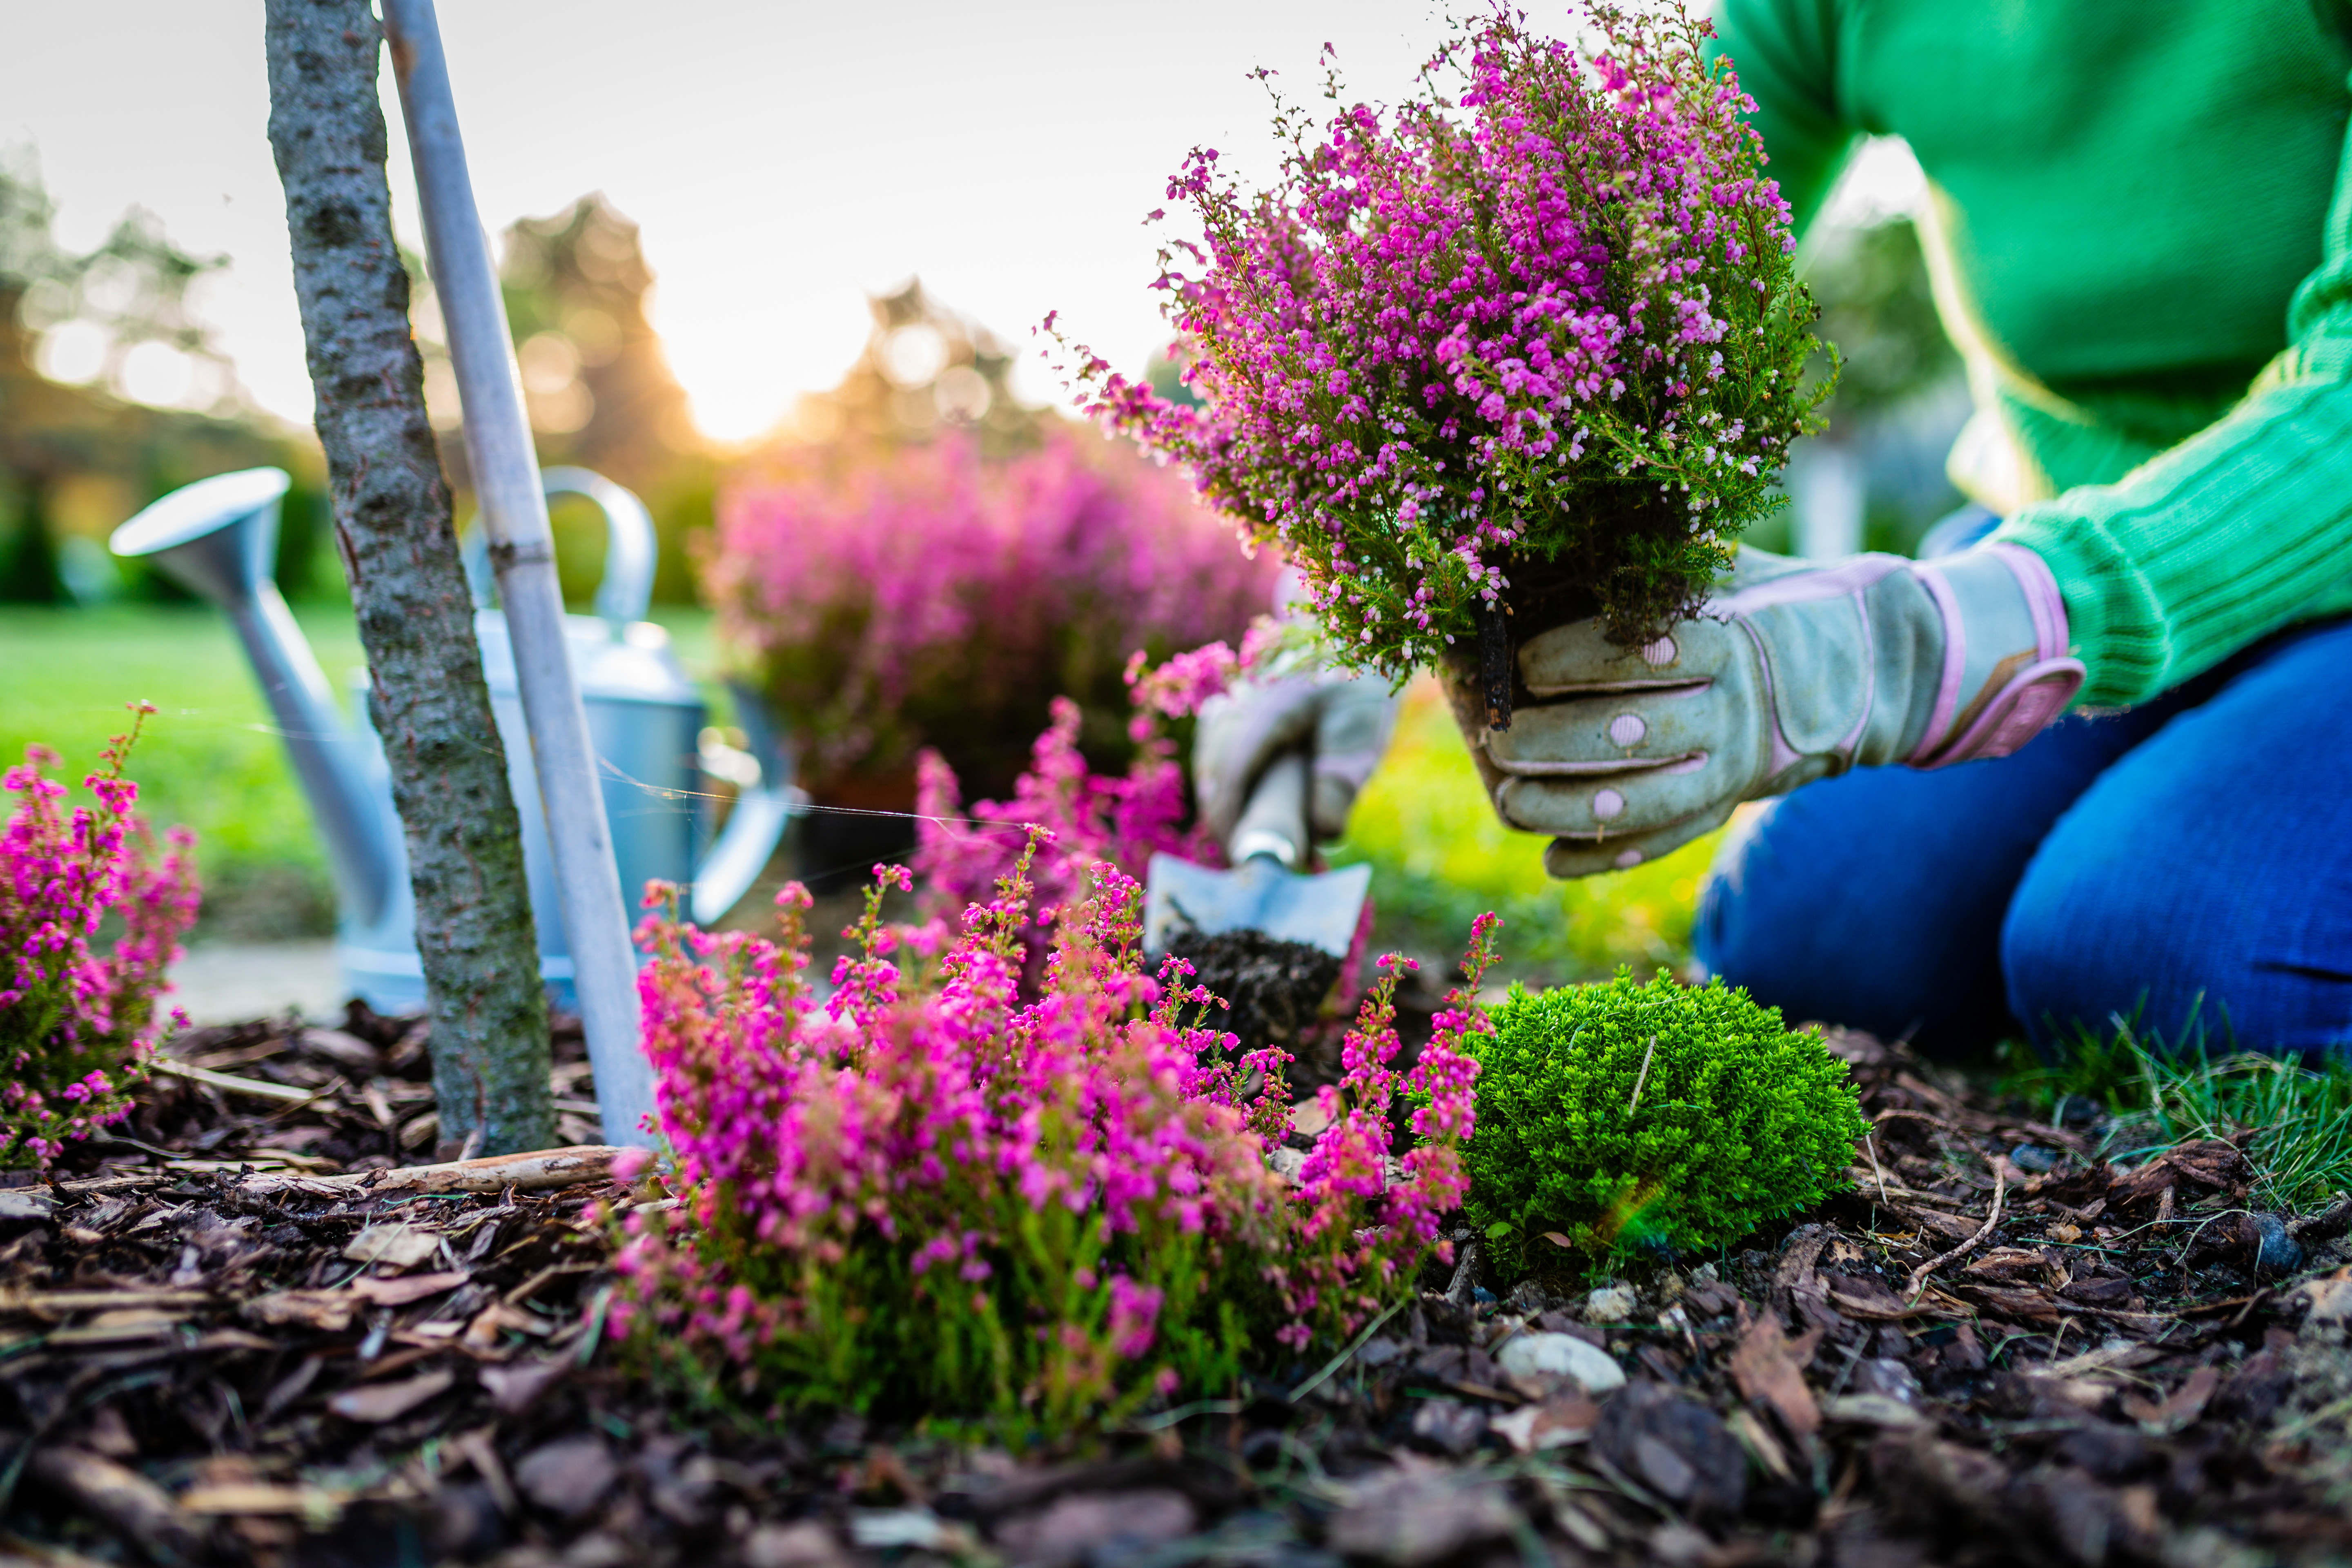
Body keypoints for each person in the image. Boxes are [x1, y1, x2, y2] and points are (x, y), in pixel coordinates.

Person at [1202, 0, 2352, 1059]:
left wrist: (1922, 641)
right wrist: (1351, 603)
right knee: (1816, 937)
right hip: (2043, 524)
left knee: (2146, 946)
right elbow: (1592, 264)